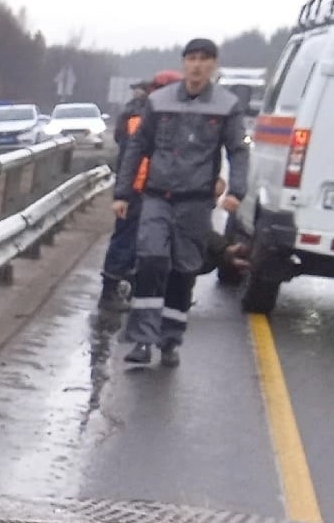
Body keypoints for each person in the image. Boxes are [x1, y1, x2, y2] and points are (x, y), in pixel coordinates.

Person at [111, 40, 252, 366]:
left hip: (196, 202)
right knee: (150, 258)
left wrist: (236, 191)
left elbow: (238, 151)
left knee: (183, 269)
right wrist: (122, 193)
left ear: (213, 65)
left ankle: (169, 339)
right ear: (184, 63)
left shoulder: (226, 106)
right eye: (191, 59)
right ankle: (142, 340)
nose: (197, 65)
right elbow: (136, 148)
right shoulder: (158, 102)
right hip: (158, 197)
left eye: (204, 59)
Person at [97, 73, 176, 314]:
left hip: (153, 190)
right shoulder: (139, 117)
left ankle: (135, 288)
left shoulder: (154, 113)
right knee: (126, 241)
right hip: (137, 189)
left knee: (146, 244)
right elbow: (136, 153)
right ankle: (109, 292)